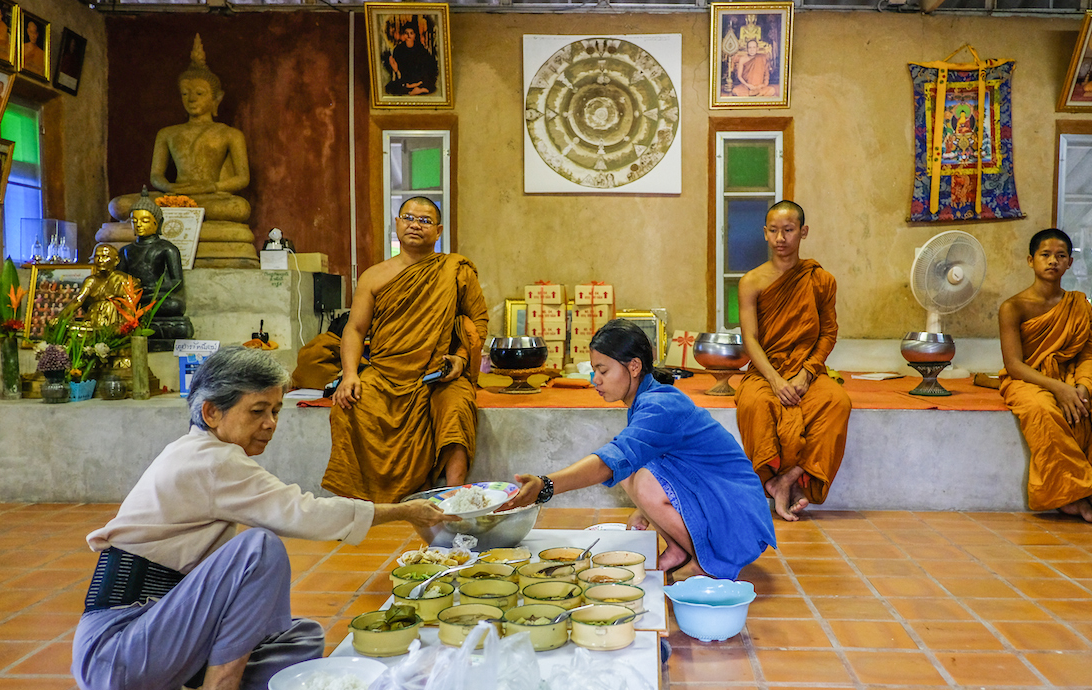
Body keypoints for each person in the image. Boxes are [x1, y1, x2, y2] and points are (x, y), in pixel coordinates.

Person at [71, 347, 453, 690]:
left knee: (301, 637)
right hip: (115, 658)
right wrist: (403, 511)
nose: (270, 424)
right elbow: (304, 512)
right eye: (257, 411)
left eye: (275, 411)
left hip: (153, 647)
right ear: (211, 413)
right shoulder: (209, 461)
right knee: (258, 548)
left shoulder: (205, 452)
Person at [503, 319, 776, 581]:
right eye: (594, 371)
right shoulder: (646, 399)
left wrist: (546, 485)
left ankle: (707, 564)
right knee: (631, 469)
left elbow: (610, 461)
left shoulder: (661, 405)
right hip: (720, 501)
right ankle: (680, 548)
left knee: (638, 477)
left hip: (737, 516)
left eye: (603, 370)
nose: (594, 380)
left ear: (634, 366)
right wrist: (646, 511)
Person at [323, 197, 488, 502]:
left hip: (438, 372)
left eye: (425, 220)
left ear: (438, 231)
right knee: (348, 404)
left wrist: (462, 360)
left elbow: (477, 322)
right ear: (397, 224)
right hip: (386, 372)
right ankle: (361, 502)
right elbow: (355, 329)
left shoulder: (455, 269)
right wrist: (349, 375)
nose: (415, 224)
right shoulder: (374, 276)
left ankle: (454, 500)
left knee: (456, 408)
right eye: (408, 217)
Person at [998, 228, 1092, 525]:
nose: (1053, 261)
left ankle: (1086, 487)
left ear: (1070, 263)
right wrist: (1058, 389)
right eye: (1045, 255)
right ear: (1031, 260)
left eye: (1060, 256)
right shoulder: (1013, 307)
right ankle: (1091, 493)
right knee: (1043, 411)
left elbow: (1088, 355)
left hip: (1073, 377)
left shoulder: (1079, 304)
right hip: (1029, 380)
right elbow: (1014, 365)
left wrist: (1081, 386)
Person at [735, 201, 852, 522]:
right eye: (773, 231)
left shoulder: (820, 280)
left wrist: (807, 373)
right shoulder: (752, 282)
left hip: (807, 370)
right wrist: (775, 379)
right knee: (756, 406)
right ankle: (778, 483)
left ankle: (787, 479)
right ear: (764, 234)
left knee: (837, 402)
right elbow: (750, 339)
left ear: (803, 232)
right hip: (764, 371)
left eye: (788, 230)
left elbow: (828, 333)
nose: (781, 238)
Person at [109, 35, 251, 225]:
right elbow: (156, 176)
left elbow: (242, 178)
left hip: (208, 197)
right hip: (174, 197)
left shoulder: (229, 134)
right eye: (185, 93)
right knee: (119, 205)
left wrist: (212, 187)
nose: (191, 99)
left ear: (216, 98)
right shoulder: (167, 133)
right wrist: (169, 187)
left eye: (199, 93)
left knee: (238, 208)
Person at [118, 188, 192, 341]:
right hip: (135, 301)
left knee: (175, 306)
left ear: (158, 223)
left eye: (144, 221)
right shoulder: (126, 250)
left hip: (155, 297)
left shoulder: (167, 248)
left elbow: (176, 282)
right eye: (134, 221)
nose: (139, 225)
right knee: (115, 310)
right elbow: (119, 279)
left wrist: (151, 288)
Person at [58, 244, 134, 332]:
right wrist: (60, 318)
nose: (100, 260)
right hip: (92, 322)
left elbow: (129, 307)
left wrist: (125, 328)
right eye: (97, 256)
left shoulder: (124, 281)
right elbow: (78, 301)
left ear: (116, 260)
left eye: (105, 257)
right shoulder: (91, 280)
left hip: (113, 325)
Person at [385, 22, 438, 96]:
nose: (408, 35)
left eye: (411, 33)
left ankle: (415, 89)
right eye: (406, 33)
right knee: (391, 88)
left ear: (415, 35)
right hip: (405, 78)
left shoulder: (420, 48)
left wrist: (419, 81)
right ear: (403, 35)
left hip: (418, 78)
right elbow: (398, 69)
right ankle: (412, 91)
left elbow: (426, 65)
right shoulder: (398, 49)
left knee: (431, 85)